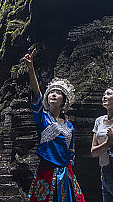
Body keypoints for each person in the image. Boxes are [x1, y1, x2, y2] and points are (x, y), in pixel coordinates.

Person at [22, 49, 85, 202]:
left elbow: (71, 152)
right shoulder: (42, 117)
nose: (53, 94)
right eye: (51, 92)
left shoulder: (70, 126)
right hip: (47, 171)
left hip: (66, 173)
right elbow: (36, 93)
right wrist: (31, 69)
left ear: (63, 101)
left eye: (58, 93)